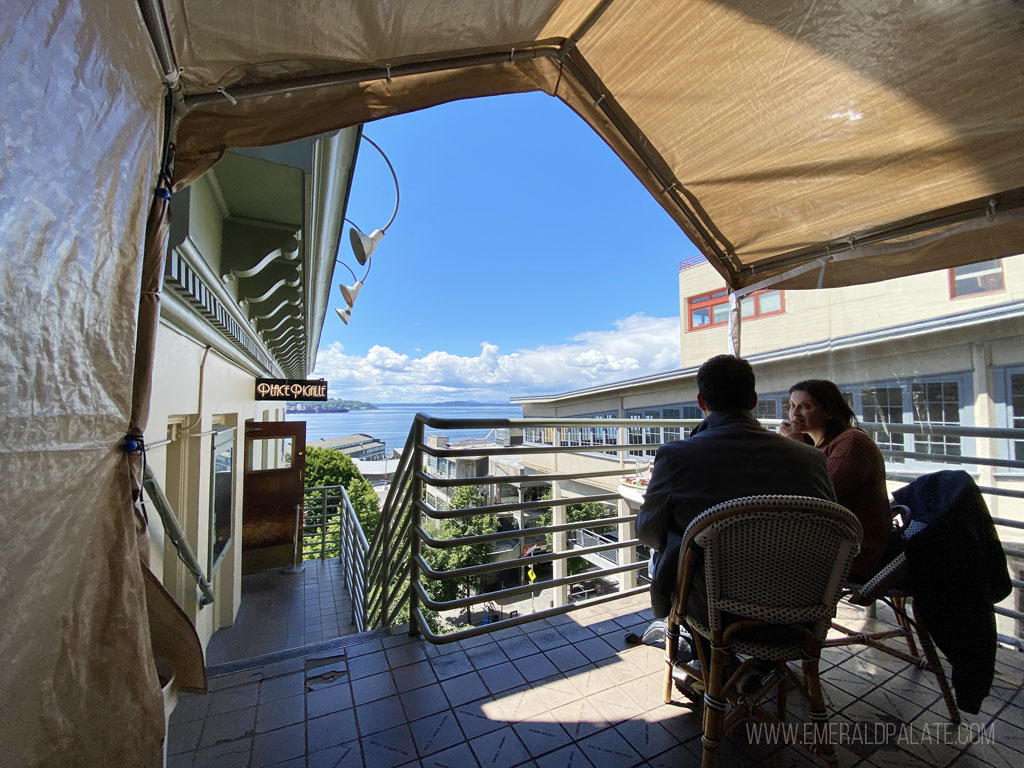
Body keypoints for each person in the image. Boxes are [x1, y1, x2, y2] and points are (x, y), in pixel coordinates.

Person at [636, 355, 837, 620]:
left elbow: (648, 533)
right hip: (797, 606)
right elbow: (832, 529)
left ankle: (707, 656)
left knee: (666, 549)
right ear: (753, 400)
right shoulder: (811, 459)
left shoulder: (676, 456)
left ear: (700, 402)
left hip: (712, 609)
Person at [779, 379, 890, 579]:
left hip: (855, 552)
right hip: (828, 543)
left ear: (829, 411)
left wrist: (793, 444)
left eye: (806, 406)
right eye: (792, 406)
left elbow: (818, 497)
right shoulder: (818, 447)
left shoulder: (851, 443)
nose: (794, 414)